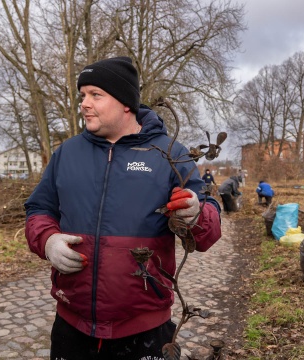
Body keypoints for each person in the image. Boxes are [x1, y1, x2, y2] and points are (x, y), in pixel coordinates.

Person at [24, 56, 222, 359]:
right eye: (82, 96)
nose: (84, 104)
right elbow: (39, 209)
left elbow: (207, 232)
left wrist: (196, 216)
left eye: (95, 95)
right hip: (71, 324)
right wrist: (47, 240)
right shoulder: (67, 153)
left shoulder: (169, 153)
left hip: (145, 329)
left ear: (125, 102)